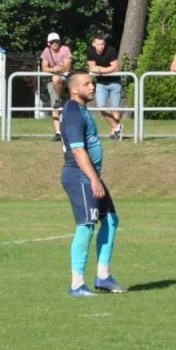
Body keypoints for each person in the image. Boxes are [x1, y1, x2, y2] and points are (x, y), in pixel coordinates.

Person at [59, 71, 123, 296]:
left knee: (111, 220)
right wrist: (94, 179)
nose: (92, 86)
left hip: (90, 175)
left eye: (92, 82)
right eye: (87, 83)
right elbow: (77, 149)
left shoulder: (83, 110)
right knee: (86, 225)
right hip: (80, 176)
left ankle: (103, 276)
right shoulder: (74, 111)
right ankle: (77, 284)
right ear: (74, 89)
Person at [87, 34, 124, 140]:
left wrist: (100, 70)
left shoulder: (111, 50)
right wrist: (105, 70)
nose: (101, 46)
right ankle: (117, 128)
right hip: (101, 83)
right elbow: (92, 68)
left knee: (115, 111)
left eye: (103, 43)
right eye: (98, 44)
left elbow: (115, 68)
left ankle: (114, 131)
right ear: (93, 44)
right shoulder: (90, 51)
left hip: (115, 82)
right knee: (101, 107)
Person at [40, 31, 73, 135]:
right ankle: (58, 132)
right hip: (53, 81)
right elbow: (44, 68)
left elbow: (67, 67)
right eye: (52, 41)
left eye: (57, 41)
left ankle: (73, 129)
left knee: (74, 106)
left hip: (67, 79)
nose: (55, 43)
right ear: (48, 43)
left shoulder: (65, 49)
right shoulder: (46, 51)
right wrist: (55, 69)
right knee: (54, 106)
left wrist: (53, 70)